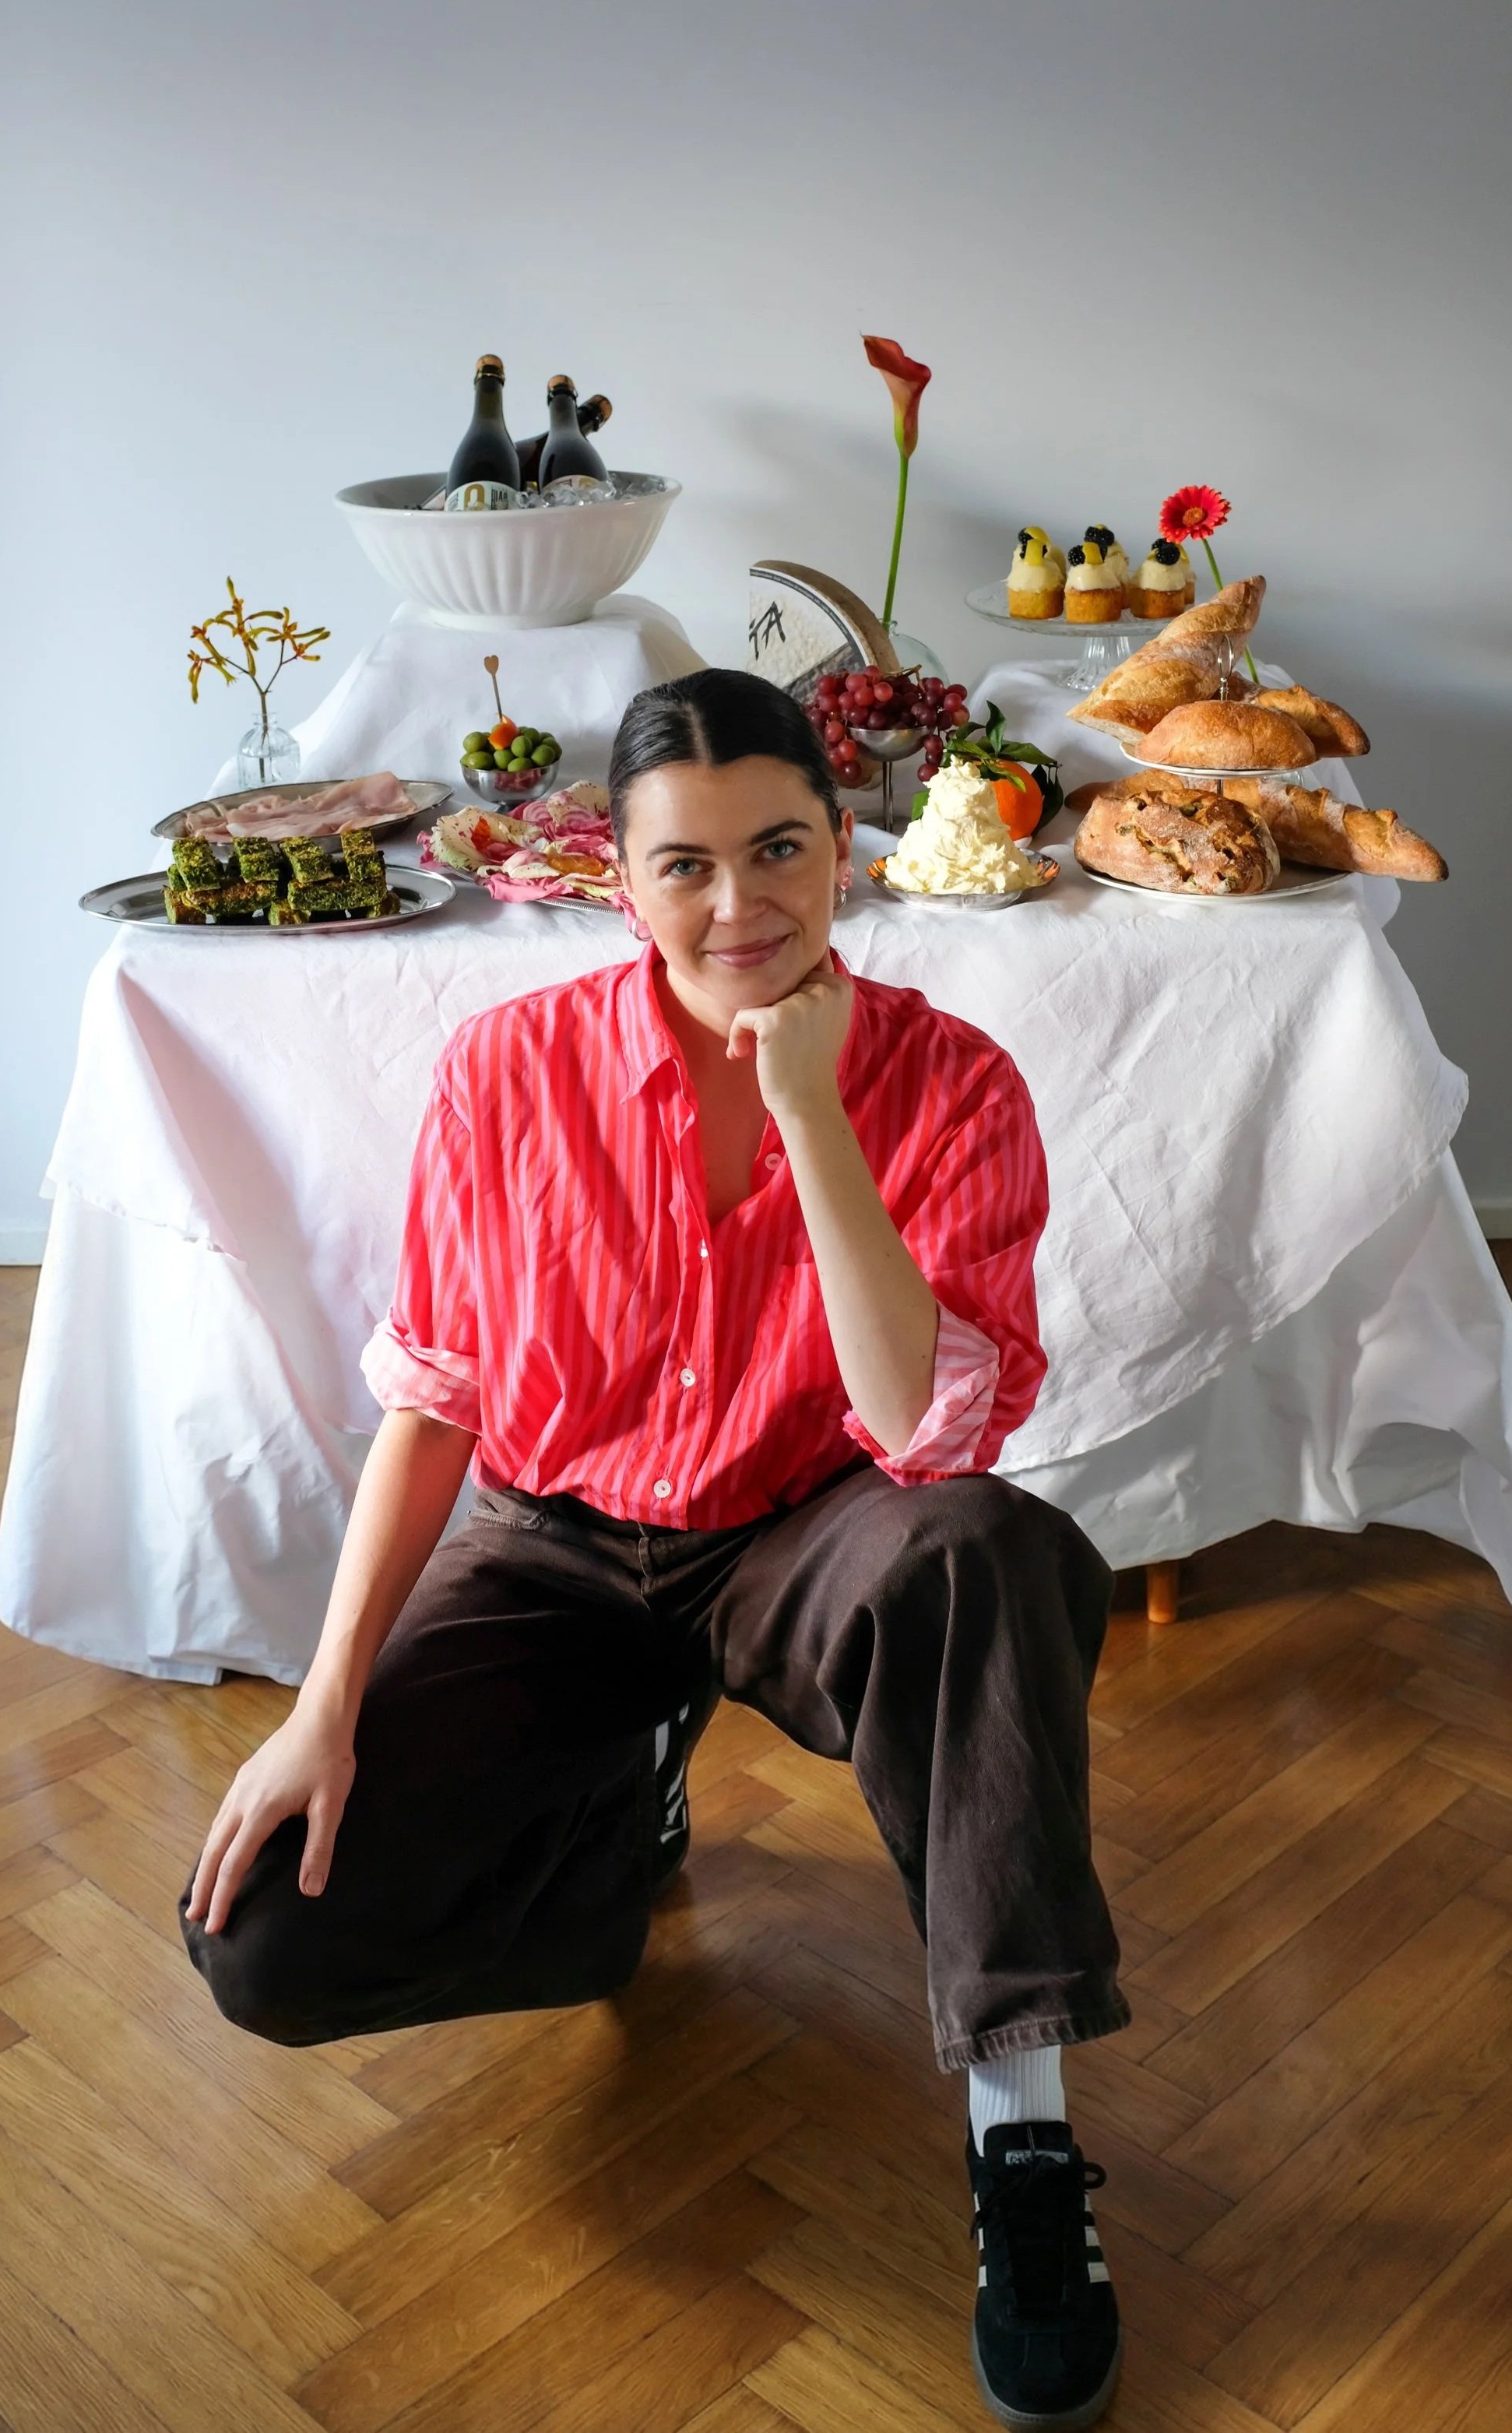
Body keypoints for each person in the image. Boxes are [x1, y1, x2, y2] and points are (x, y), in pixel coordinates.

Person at [178, 667, 1128, 2429]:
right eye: (682, 865)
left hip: (814, 1533)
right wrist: (321, 1707)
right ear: (618, 881)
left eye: (778, 850)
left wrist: (816, 1112)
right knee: (268, 1950)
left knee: (985, 1547)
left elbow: (919, 1429)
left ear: (840, 850)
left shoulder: (952, 1084)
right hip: (555, 1548)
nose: (737, 905)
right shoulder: (504, 1072)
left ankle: (1022, 2139)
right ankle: (613, 1827)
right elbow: (440, 1398)